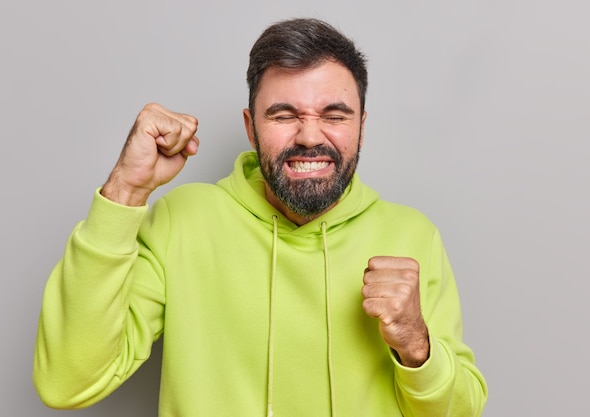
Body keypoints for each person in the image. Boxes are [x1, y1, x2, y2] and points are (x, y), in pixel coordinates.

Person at [34, 17, 488, 417]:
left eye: (334, 114)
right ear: (251, 127)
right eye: (284, 114)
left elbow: (460, 412)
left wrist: (415, 345)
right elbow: (67, 382)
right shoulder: (182, 221)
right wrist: (126, 190)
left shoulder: (412, 235)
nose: (310, 136)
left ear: (362, 127)